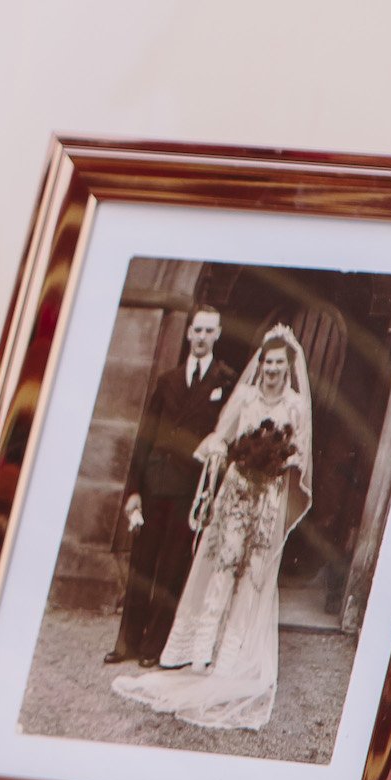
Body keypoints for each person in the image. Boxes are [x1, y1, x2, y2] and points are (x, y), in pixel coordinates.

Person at [113, 326, 315, 730]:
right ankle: (201, 650)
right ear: (260, 365)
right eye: (267, 362)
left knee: (253, 573)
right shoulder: (244, 397)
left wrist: (280, 461)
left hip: (267, 498)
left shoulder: (295, 406)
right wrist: (231, 454)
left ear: (288, 367)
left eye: (279, 364)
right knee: (223, 565)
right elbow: (216, 439)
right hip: (237, 493)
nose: (272, 370)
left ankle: (234, 655)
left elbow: (301, 455)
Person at [107, 307, 236, 666]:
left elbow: (227, 436)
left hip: (188, 491)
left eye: (209, 331)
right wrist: (133, 490)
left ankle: (153, 647)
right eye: (196, 330)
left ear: (218, 334)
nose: (201, 337)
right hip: (153, 485)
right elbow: (144, 438)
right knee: (141, 566)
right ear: (188, 333)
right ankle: (127, 643)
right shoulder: (168, 381)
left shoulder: (225, 382)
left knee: (170, 571)